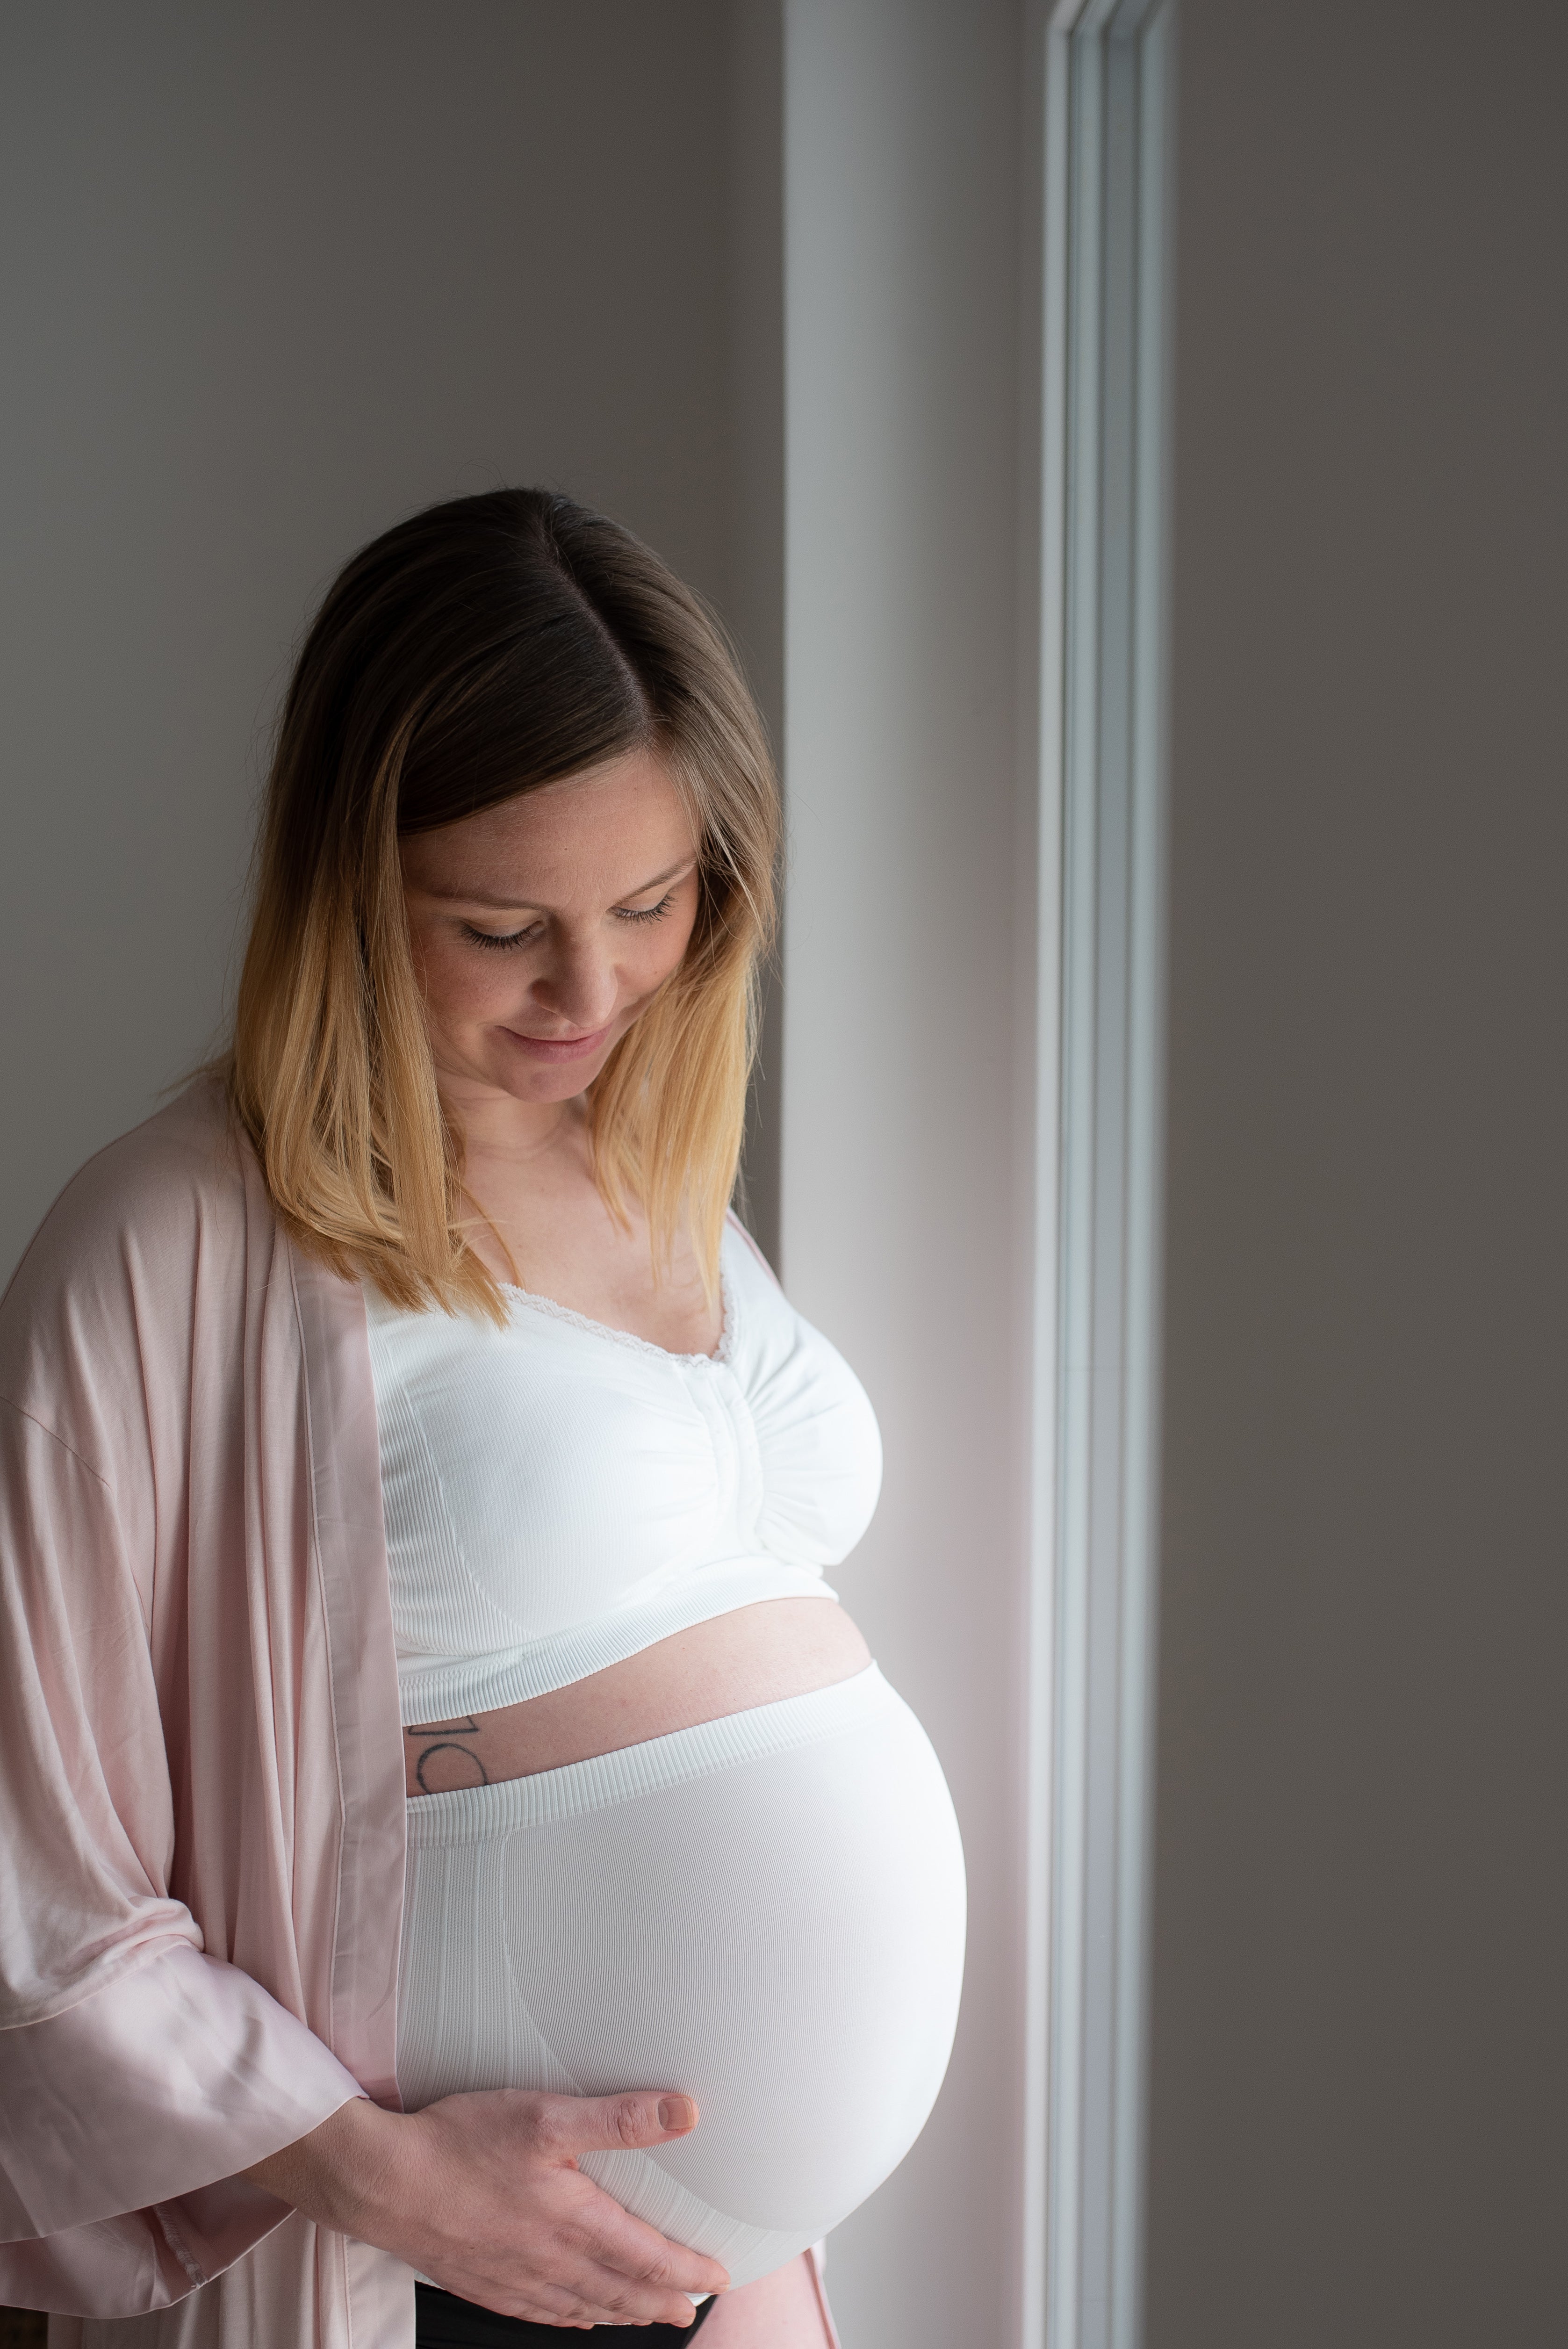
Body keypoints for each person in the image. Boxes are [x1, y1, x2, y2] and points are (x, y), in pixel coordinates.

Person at [0, 490, 966, 2349]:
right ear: (346, 883)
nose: (590, 988)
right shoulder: (177, 1234)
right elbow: (29, 1862)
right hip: (438, 2254)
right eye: (500, 923)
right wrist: (369, 2166)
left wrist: (769, 2208)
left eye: (651, 903)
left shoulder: (661, 1175)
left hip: (723, 2277)